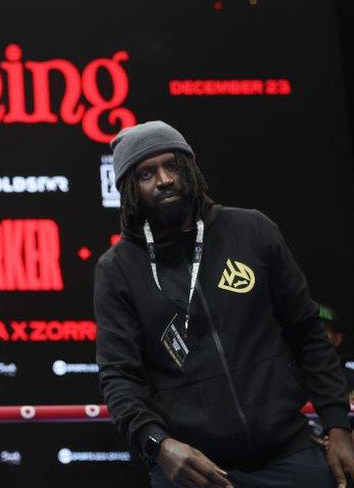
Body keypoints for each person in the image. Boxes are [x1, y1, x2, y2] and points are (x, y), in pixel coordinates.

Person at [93, 121, 354, 488]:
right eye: (146, 173)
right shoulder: (117, 269)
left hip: (287, 451)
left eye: (172, 166)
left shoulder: (253, 231)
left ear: (190, 169)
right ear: (129, 190)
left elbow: (307, 332)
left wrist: (338, 426)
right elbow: (120, 376)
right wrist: (160, 446)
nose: (164, 179)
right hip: (195, 466)